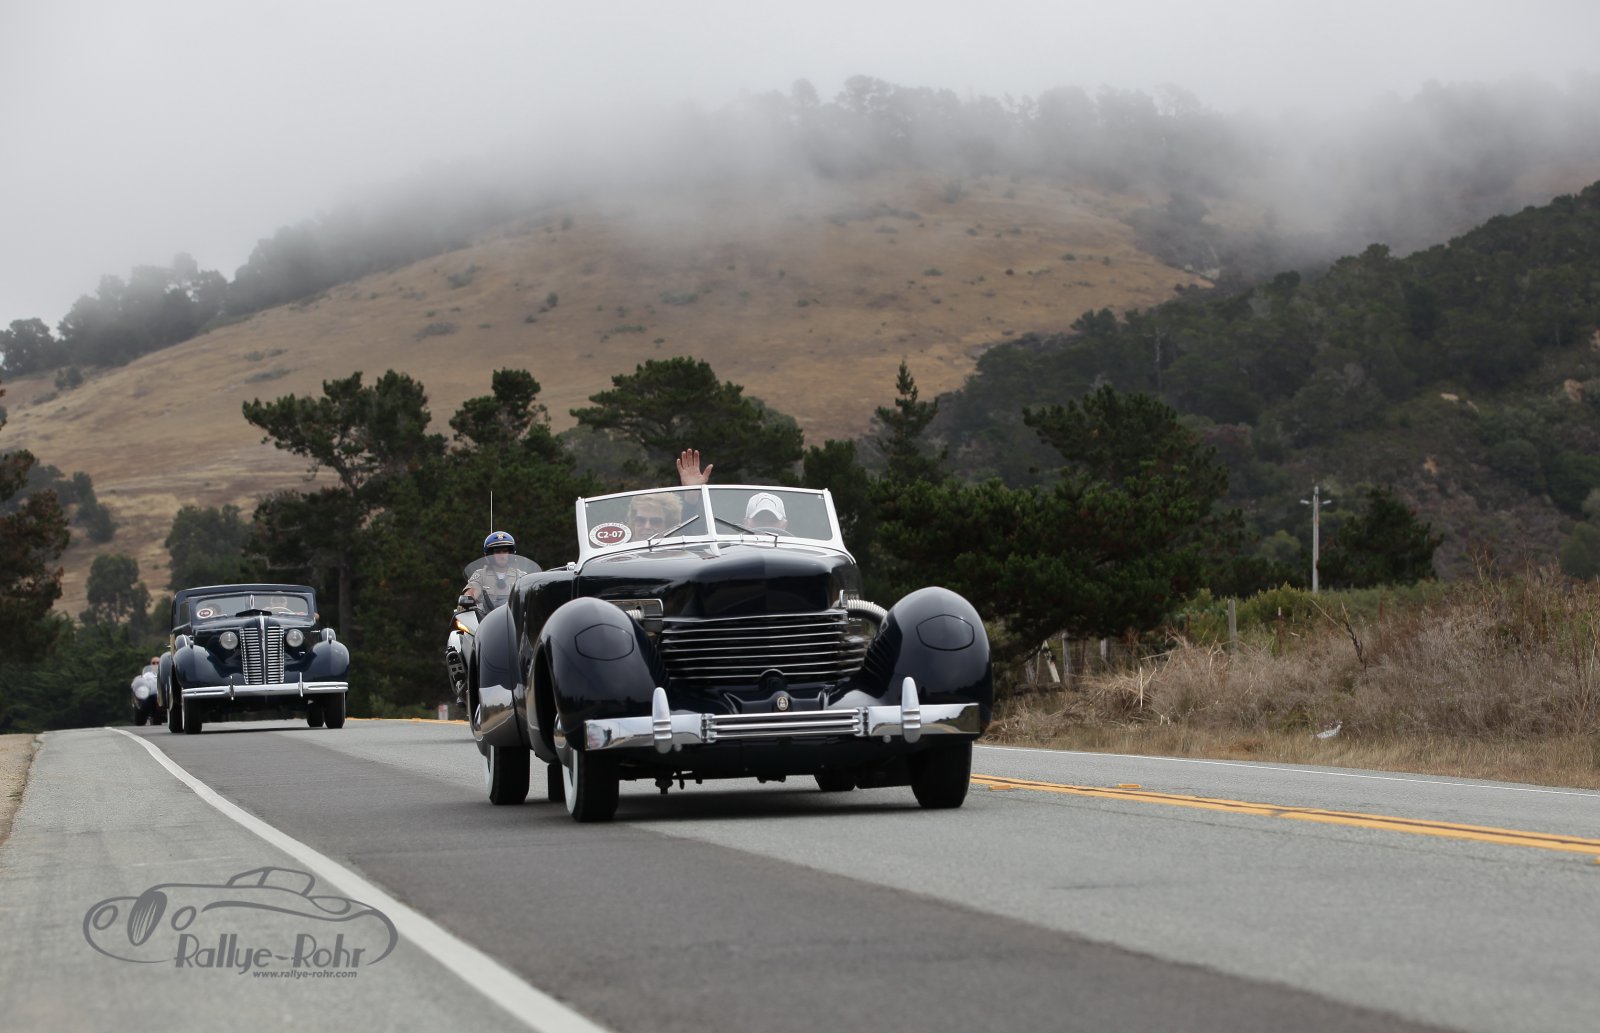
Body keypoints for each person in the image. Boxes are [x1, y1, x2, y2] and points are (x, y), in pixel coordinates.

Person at [464, 531, 533, 610]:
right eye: (497, 552)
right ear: (490, 554)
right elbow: (472, 591)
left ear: (510, 553)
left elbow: (529, 596)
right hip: (486, 616)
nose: (502, 555)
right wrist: (469, 598)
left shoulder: (521, 576)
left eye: (505, 551)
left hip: (513, 616)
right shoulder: (481, 575)